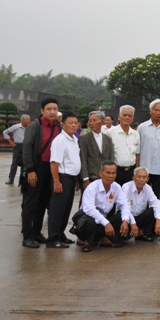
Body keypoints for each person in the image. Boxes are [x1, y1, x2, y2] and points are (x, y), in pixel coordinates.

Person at [21, 97, 61, 248]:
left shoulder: (59, 127)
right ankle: (27, 236)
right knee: (30, 203)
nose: (52, 112)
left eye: (55, 109)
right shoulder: (35, 126)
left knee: (43, 203)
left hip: (51, 169)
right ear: (42, 111)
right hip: (37, 168)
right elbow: (26, 148)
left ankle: (37, 233)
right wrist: (30, 170)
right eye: (49, 109)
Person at [74, 161, 132, 252]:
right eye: (108, 173)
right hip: (87, 222)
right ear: (101, 173)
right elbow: (89, 209)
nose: (111, 176)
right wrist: (106, 223)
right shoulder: (92, 187)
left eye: (113, 173)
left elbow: (124, 204)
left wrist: (125, 220)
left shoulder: (116, 187)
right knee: (90, 220)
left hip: (103, 222)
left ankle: (102, 238)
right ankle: (88, 242)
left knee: (122, 216)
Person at [46, 113, 81, 248]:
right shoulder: (60, 140)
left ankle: (60, 234)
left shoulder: (74, 139)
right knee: (57, 210)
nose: (73, 125)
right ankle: (53, 239)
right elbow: (54, 162)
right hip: (62, 178)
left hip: (71, 178)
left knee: (66, 209)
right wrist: (56, 181)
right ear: (63, 125)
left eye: (75, 123)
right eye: (70, 123)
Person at [137, 99, 160, 197]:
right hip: (144, 168)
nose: (158, 112)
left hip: (159, 169)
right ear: (150, 111)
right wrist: (137, 168)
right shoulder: (142, 127)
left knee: (157, 196)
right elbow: (137, 149)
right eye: (155, 110)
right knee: (142, 196)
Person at [122, 166, 160, 242]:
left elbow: (155, 202)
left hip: (140, 217)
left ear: (147, 179)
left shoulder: (148, 188)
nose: (141, 179)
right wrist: (133, 223)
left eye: (144, 177)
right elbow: (124, 207)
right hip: (127, 218)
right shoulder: (126, 187)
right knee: (121, 214)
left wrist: (158, 220)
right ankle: (126, 234)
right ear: (133, 178)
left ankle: (141, 233)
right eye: (139, 177)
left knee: (153, 210)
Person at [78, 111, 114, 195]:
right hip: (90, 177)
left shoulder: (107, 139)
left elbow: (111, 158)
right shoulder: (84, 138)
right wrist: (85, 178)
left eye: (95, 120)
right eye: (90, 121)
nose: (92, 123)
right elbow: (82, 158)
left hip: (105, 177)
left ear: (102, 122)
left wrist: (111, 174)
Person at [106, 105, 141, 186]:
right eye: (124, 115)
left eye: (130, 116)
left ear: (133, 118)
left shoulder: (136, 134)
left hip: (131, 171)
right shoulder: (110, 133)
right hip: (115, 171)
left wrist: (136, 170)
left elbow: (137, 154)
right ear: (119, 117)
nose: (127, 117)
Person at [3, 114, 30, 185]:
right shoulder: (16, 127)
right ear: (23, 120)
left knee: (24, 163)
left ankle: (22, 180)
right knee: (15, 163)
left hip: (26, 146)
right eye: (28, 120)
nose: (29, 121)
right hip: (17, 145)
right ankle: (11, 179)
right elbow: (5, 132)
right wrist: (10, 141)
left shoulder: (29, 128)